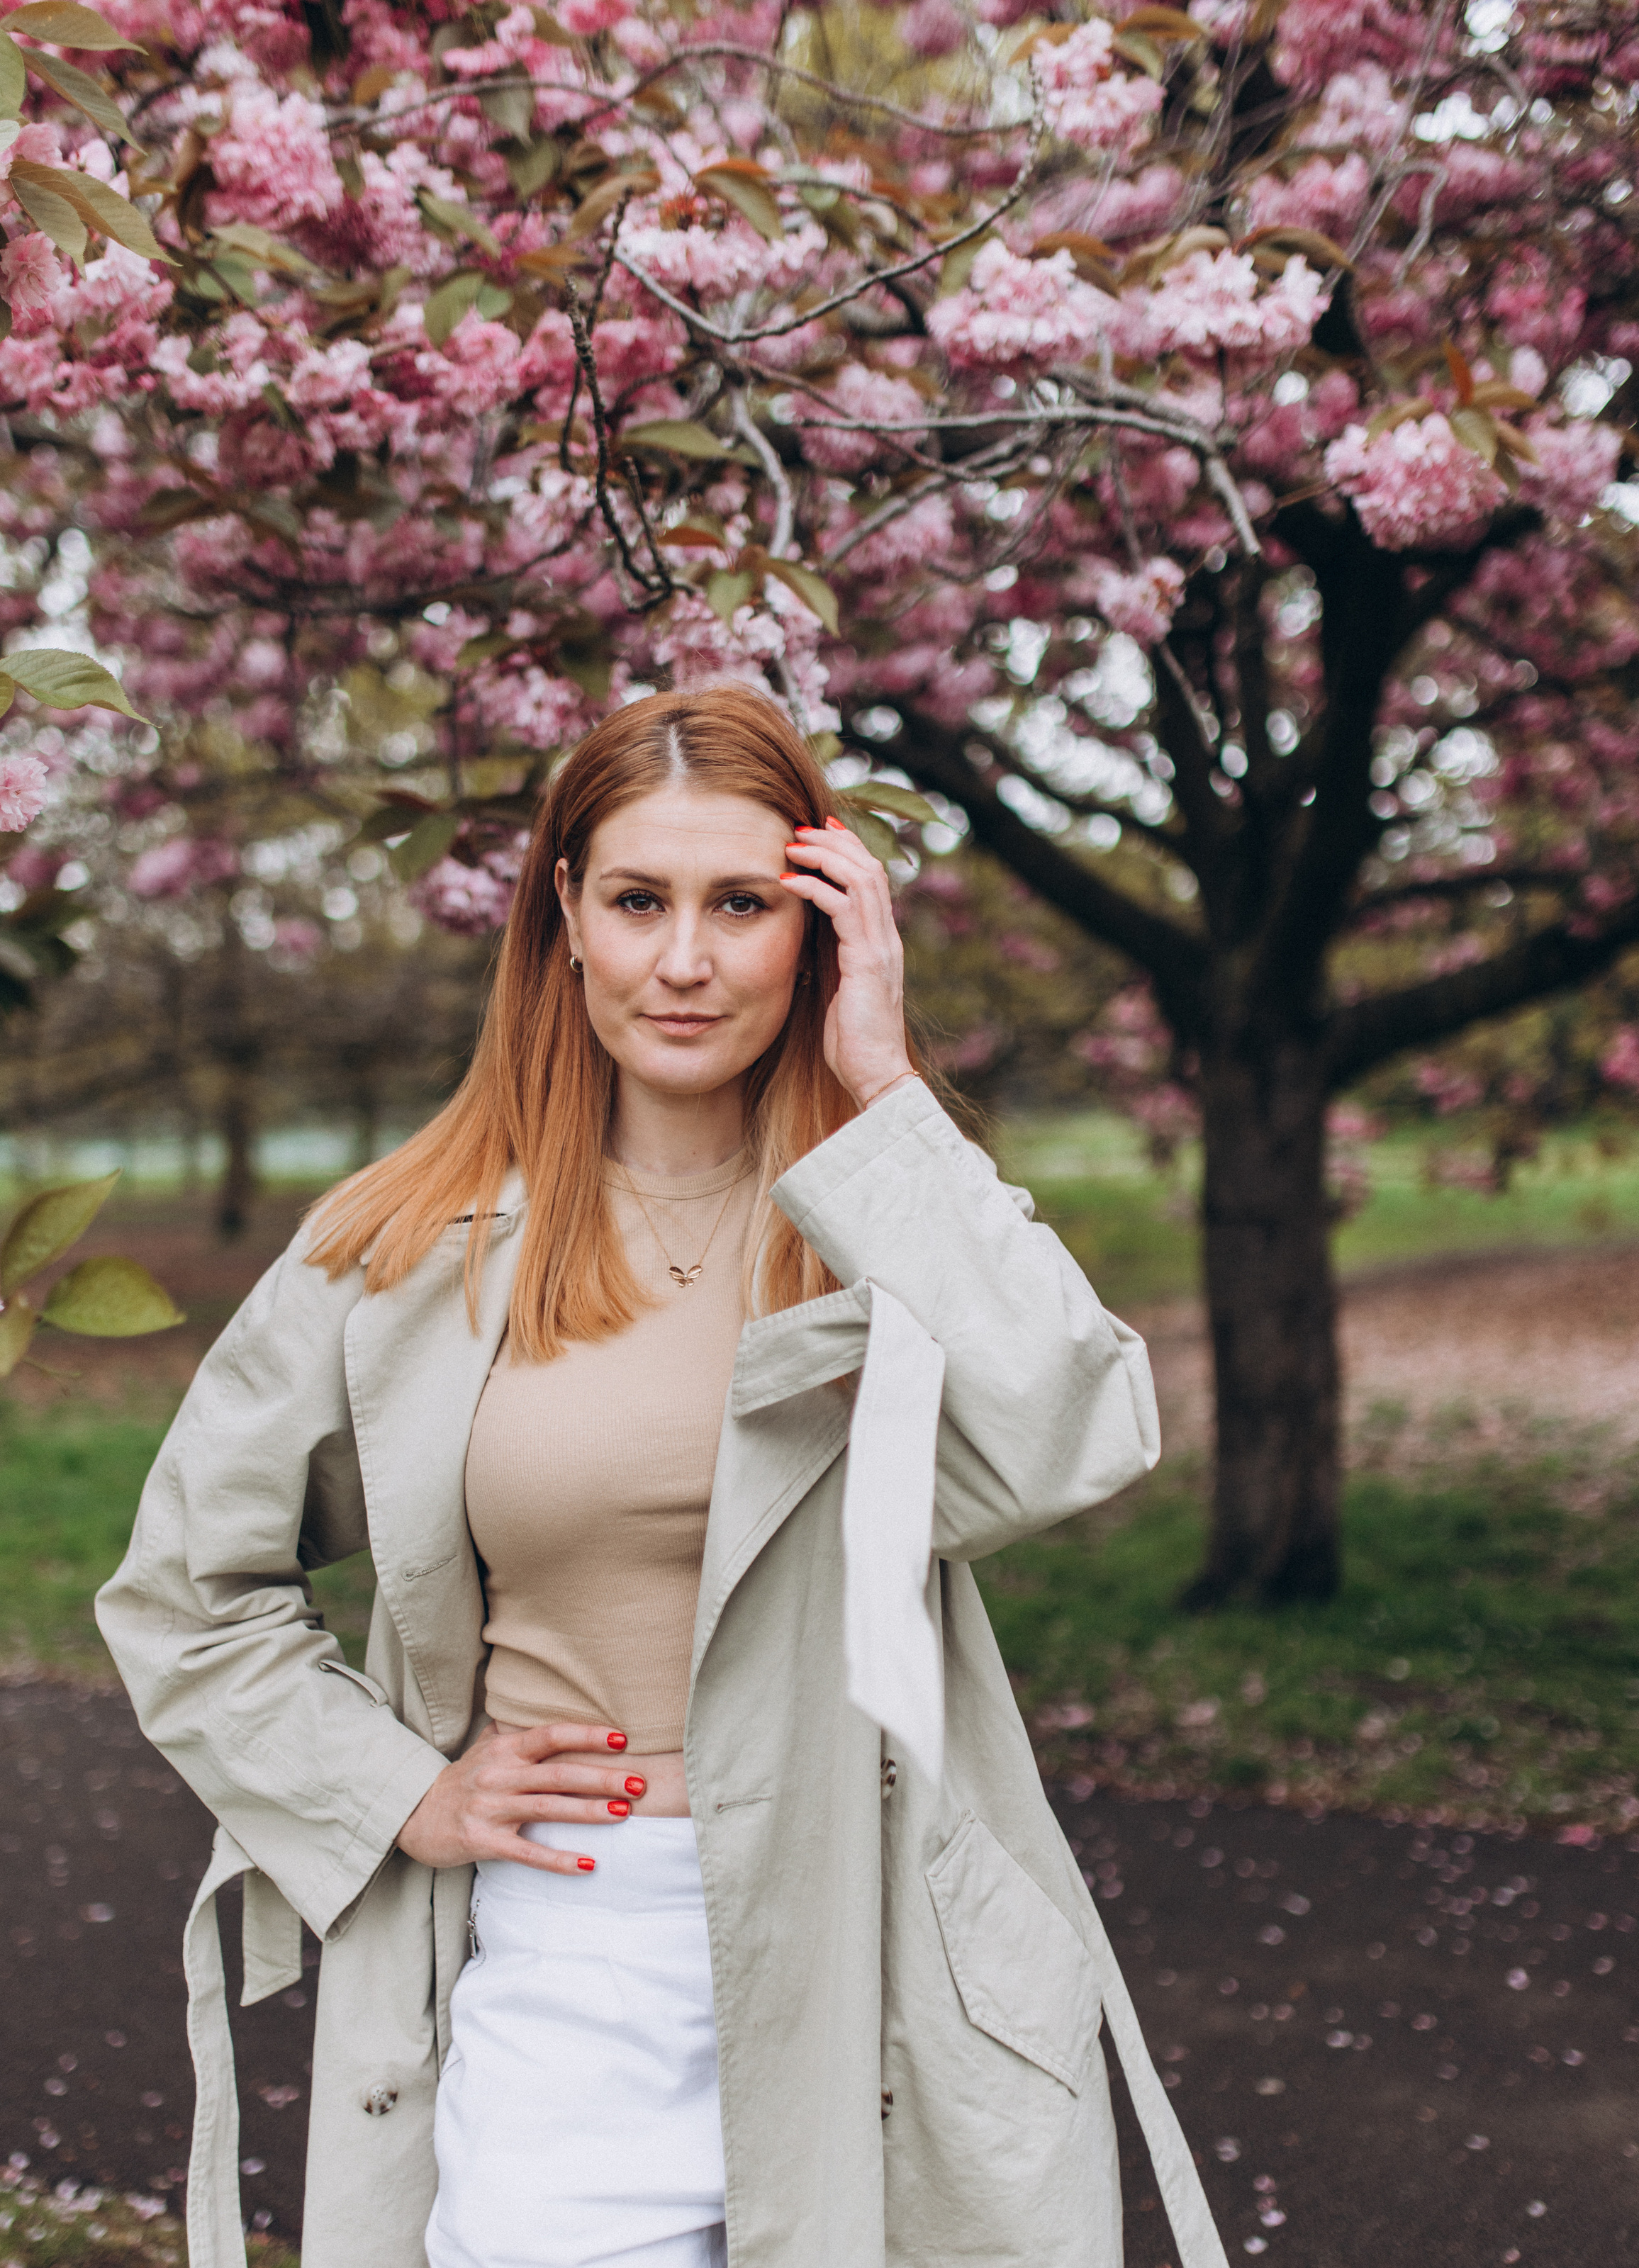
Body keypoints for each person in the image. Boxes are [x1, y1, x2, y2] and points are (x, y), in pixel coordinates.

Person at [97, 684, 1228, 2268]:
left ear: (819, 924)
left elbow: (1073, 1433)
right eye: (637, 900)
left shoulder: (882, 1226)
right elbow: (182, 1593)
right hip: (568, 1954)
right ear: (564, 912)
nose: (684, 961)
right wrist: (400, 1791)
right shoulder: (407, 1248)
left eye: (743, 904)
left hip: (870, 1952)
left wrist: (885, 1088)